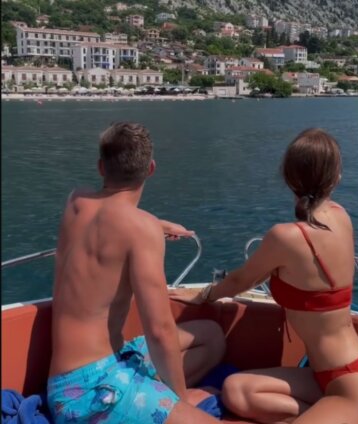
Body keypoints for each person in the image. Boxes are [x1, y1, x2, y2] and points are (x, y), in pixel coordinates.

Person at [169, 128, 358, 424]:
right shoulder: (341, 217)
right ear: (336, 177)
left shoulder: (286, 237)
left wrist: (203, 295)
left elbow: (239, 282)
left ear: (288, 178)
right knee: (236, 390)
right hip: (323, 374)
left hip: (351, 384)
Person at [47, 122, 225, 424]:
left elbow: (107, 217)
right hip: (90, 391)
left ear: (101, 167)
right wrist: (180, 404)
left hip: (77, 376)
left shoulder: (75, 200)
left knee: (212, 336)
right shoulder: (140, 229)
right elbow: (159, 331)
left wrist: (156, 224)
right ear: (151, 168)